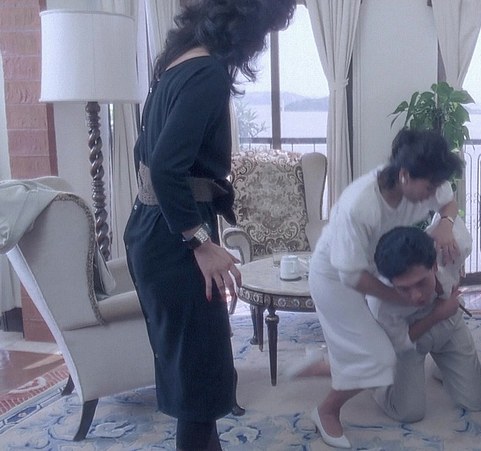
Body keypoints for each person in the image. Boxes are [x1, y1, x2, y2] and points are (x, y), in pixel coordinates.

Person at [124, 1, 296, 450]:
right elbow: (165, 167)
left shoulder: (174, 64)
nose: (261, 44)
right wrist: (200, 242)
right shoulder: (207, 74)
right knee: (201, 382)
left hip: (151, 228)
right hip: (175, 240)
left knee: (194, 376)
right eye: (265, 31)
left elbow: (147, 158)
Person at [307, 128, 463, 448]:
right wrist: (403, 297)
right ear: (404, 175)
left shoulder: (423, 181)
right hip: (335, 277)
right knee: (379, 357)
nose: (434, 192)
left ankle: (331, 363)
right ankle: (326, 411)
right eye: (430, 186)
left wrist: (446, 224)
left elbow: (449, 203)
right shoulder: (360, 205)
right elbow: (352, 277)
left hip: (374, 265)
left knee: (372, 347)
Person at [368, 223, 481, 422]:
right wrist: (438, 314)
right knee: (409, 413)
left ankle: (443, 367)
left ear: (434, 265)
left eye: (420, 282)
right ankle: (376, 384)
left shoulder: (453, 248)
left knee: (477, 402)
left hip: (449, 325)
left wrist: (446, 223)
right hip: (410, 342)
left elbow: (451, 215)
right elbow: (398, 342)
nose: (416, 295)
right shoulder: (380, 303)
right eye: (404, 288)